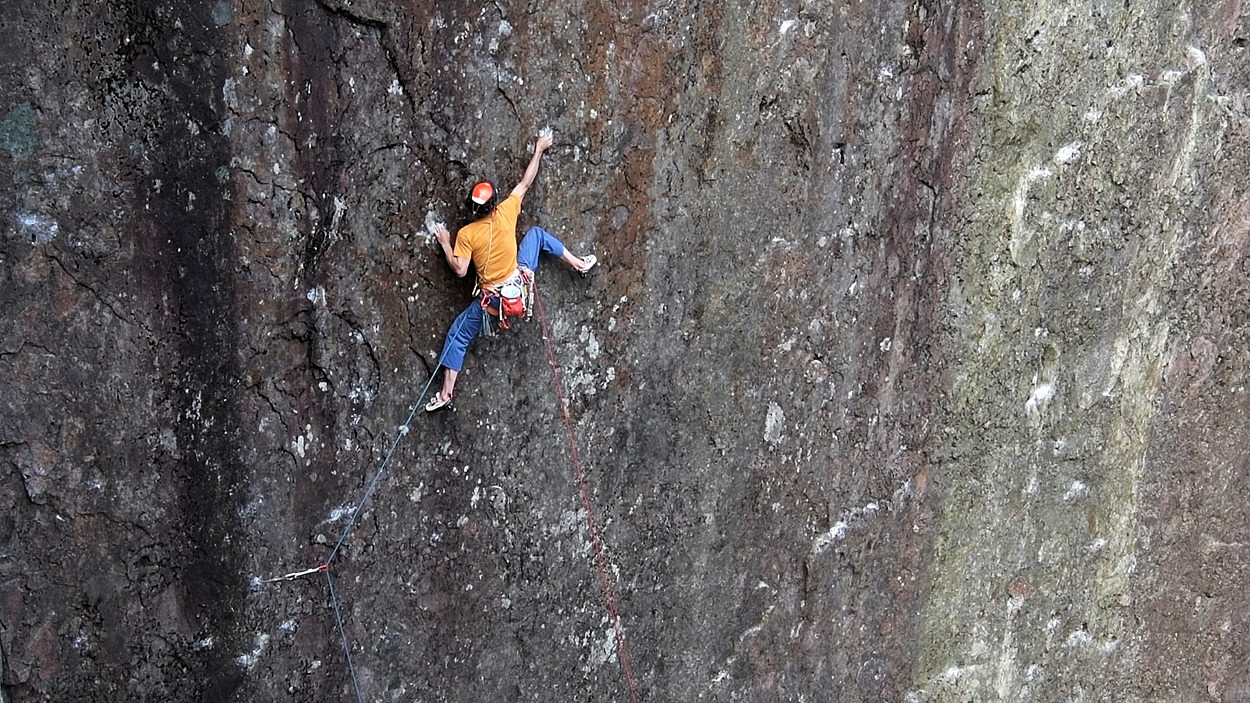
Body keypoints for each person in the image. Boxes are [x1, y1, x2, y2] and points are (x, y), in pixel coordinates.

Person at [425, 130, 597, 411]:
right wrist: (538, 150)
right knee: (537, 235)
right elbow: (525, 183)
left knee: (458, 334)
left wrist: (446, 243)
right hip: (519, 284)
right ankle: (579, 264)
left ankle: (445, 395)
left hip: (494, 302)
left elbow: (460, 270)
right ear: (494, 203)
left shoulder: (466, 235)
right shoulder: (506, 211)